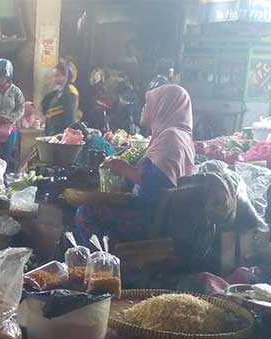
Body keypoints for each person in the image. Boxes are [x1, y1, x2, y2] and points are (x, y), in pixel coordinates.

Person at [76, 85, 195, 242]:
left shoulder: (171, 137)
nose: (144, 108)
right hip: (160, 215)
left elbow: (157, 184)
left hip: (151, 219)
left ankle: (104, 262)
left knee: (85, 213)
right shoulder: (178, 135)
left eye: (149, 103)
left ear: (163, 106)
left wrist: (122, 168)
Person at [41, 63, 80, 136]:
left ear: (65, 76)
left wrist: (69, 132)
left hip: (62, 133)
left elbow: (70, 114)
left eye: (57, 75)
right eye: (54, 76)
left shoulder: (71, 91)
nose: (55, 78)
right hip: (52, 132)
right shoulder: (55, 93)